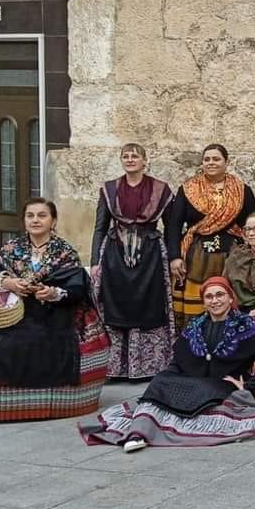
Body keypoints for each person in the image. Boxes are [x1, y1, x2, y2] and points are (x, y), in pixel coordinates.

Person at [79, 278, 255, 452]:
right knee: (159, 382)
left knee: (180, 392)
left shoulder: (246, 326)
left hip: (219, 385)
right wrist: (165, 380)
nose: (215, 300)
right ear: (204, 301)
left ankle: (143, 433)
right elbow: (179, 360)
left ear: (230, 298)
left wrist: (250, 387)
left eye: (220, 295)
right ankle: (137, 434)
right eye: (209, 297)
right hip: (190, 380)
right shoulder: (195, 326)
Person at [0, 199, 109, 423]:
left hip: (55, 311)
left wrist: (52, 293)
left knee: (48, 338)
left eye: (42, 215)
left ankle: (54, 402)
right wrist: (8, 283)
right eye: (30, 216)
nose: (35, 220)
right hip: (15, 312)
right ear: (24, 220)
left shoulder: (64, 252)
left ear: (53, 221)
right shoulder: (11, 249)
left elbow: (77, 288)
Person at [91, 143, 175, 380]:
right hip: (115, 255)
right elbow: (99, 227)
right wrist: (95, 260)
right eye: (125, 156)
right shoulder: (109, 189)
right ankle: (116, 368)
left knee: (148, 304)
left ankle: (148, 366)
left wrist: (173, 258)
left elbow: (171, 229)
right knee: (116, 304)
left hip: (150, 254)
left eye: (135, 156)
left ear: (144, 161)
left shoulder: (160, 189)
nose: (130, 160)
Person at [166, 144, 255, 330]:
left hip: (233, 257)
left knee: (228, 298)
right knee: (197, 308)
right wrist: (175, 256)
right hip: (195, 256)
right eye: (207, 159)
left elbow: (253, 222)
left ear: (226, 162)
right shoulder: (188, 189)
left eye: (216, 159)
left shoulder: (242, 190)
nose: (211, 163)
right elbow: (174, 225)